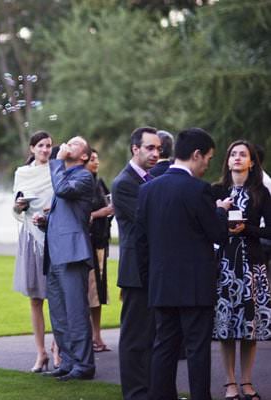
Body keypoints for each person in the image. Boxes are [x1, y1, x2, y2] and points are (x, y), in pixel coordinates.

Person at [136, 128, 232, 400]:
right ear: (196, 154)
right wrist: (220, 212)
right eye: (209, 159)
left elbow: (140, 243)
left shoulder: (147, 190)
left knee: (164, 347)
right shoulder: (198, 190)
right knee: (197, 350)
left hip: (161, 284)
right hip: (195, 286)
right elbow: (218, 235)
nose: (207, 165)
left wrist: (149, 280)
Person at [211, 140, 271, 400]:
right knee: (226, 325)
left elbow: (270, 230)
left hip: (252, 267)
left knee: (250, 327)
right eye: (232, 154)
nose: (237, 158)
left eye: (242, 154)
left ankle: (247, 381)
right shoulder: (215, 190)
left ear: (252, 162)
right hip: (224, 264)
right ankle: (230, 382)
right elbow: (203, 226)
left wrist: (247, 229)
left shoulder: (261, 192)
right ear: (227, 160)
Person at [40, 136, 96, 381]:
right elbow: (66, 214)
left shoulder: (83, 176)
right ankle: (68, 362)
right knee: (59, 313)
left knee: (75, 312)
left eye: (74, 143)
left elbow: (62, 191)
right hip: (55, 253)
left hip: (73, 254)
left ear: (83, 156)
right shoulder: (64, 175)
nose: (67, 145)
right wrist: (46, 221)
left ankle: (84, 366)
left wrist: (57, 161)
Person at [112, 126, 161, 400]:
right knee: (134, 338)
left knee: (152, 335)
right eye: (150, 148)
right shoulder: (125, 183)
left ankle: (151, 391)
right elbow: (147, 222)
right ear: (135, 149)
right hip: (136, 271)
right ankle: (135, 394)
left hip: (152, 269)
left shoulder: (149, 179)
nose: (156, 153)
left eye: (158, 149)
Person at [11, 131, 59, 372]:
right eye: (40, 145)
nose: (45, 149)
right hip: (31, 235)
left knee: (58, 297)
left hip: (54, 235)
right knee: (36, 298)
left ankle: (58, 348)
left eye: (48, 145)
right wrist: (19, 205)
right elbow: (16, 207)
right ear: (31, 148)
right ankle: (40, 353)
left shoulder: (57, 169)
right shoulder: (22, 173)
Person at [85, 149, 113, 352]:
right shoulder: (83, 185)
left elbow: (111, 206)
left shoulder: (99, 183)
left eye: (97, 158)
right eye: (92, 159)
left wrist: (108, 210)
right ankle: (88, 337)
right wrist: (100, 212)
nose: (96, 162)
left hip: (102, 241)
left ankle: (97, 335)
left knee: (99, 292)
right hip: (88, 243)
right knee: (89, 292)